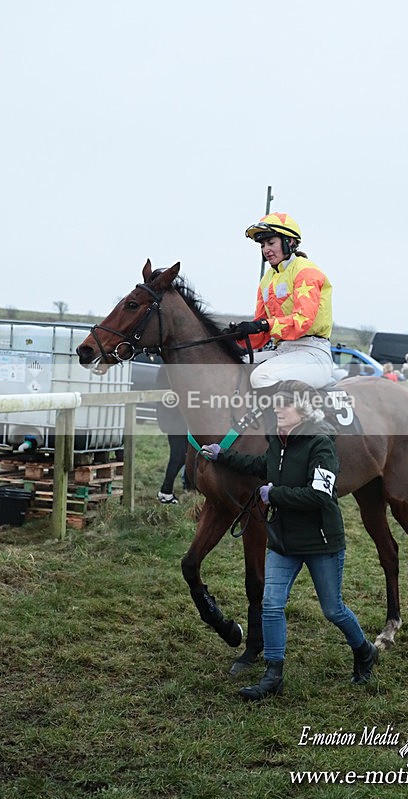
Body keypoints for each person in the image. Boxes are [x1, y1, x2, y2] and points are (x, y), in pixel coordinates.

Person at [201, 380, 378, 701]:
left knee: (332, 610)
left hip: (320, 542)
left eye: (285, 406)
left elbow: (321, 494)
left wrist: (275, 494)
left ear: (302, 412)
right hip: (283, 541)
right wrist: (221, 455)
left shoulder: (321, 445)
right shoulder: (278, 443)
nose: (278, 411)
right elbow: (260, 466)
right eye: (276, 406)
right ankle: (273, 675)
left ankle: (364, 651)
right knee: (271, 605)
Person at [232, 212, 334, 391]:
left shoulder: (306, 271)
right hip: (283, 351)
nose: (266, 250)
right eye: (263, 245)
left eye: (271, 243)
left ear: (290, 242)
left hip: (313, 353)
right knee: (231, 366)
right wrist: (236, 336)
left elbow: (301, 321)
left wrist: (263, 325)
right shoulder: (267, 279)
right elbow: (261, 334)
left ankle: (284, 419)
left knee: (261, 376)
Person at [155, 366, 189, 504]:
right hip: (175, 419)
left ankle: (183, 486)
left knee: (183, 455)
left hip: (177, 418)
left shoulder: (170, 368)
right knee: (178, 456)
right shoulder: (169, 369)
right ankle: (165, 491)